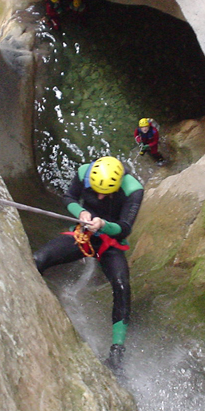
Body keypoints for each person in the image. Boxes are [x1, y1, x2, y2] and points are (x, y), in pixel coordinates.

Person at [33, 156, 144, 375]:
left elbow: (124, 228)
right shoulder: (85, 172)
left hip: (111, 242)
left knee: (122, 285)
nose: (101, 197)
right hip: (83, 234)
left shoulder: (133, 189)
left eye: (107, 193)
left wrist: (103, 224)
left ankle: (117, 351)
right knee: (40, 258)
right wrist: (80, 213)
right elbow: (70, 197)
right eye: (97, 191)